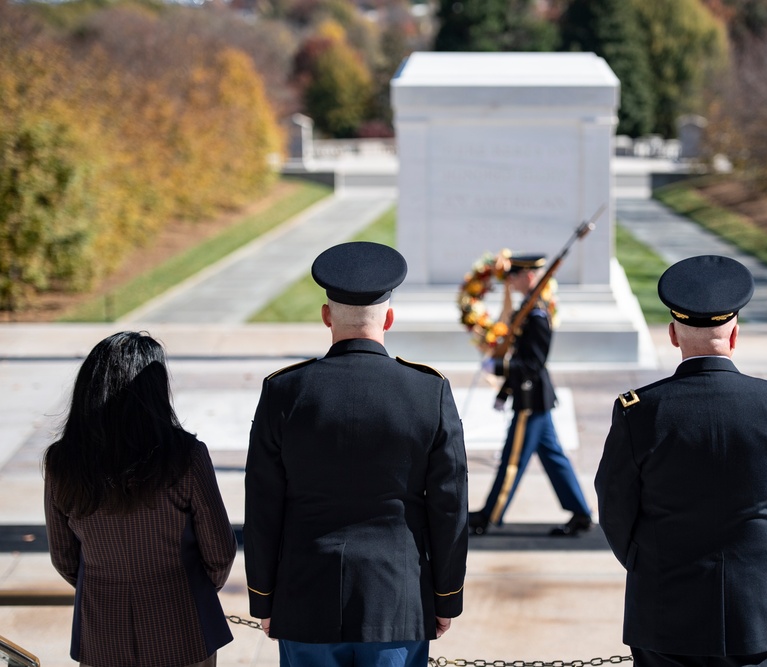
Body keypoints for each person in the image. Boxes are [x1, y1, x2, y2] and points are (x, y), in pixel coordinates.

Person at [244, 241, 468, 667]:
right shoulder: (428, 392)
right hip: (396, 602)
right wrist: (445, 597)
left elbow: (262, 507)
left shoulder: (284, 391)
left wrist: (264, 599)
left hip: (304, 598)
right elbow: (449, 507)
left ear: (326, 316)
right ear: (389, 317)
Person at [595, 255, 767, 667]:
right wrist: (766, 557)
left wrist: (647, 562)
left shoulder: (639, 411)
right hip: (759, 607)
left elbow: (614, 507)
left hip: (664, 605)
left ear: (672, 335)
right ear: (735, 336)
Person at [44, 331, 237, 667]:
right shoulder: (186, 456)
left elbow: (64, 557)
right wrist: (190, 590)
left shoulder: (62, 461)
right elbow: (220, 551)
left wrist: (108, 584)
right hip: (182, 628)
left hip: (103, 632)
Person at [468, 253, 593, 537]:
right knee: (553, 456)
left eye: (515, 276)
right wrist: (504, 391)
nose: (510, 281)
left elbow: (532, 365)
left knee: (513, 460)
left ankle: (489, 515)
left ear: (529, 277)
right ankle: (581, 513)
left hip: (531, 400)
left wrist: (500, 367)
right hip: (531, 397)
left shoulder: (536, 315)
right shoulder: (528, 309)